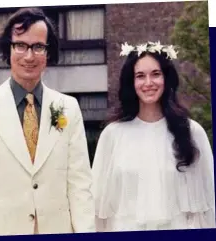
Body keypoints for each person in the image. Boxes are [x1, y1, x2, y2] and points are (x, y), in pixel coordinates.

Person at [0, 7, 95, 236]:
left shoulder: (68, 107)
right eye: (20, 45)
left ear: (48, 53)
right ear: (8, 49)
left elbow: (80, 184)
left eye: (38, 47)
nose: (29, 56)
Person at [92, 41, 215, 231]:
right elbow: (97, 204)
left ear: (167, 78)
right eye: (140, 76)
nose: (148, 83)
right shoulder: (113, 135)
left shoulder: (192, 132)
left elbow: (209, 201)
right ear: (131, 82)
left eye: (155, 74)